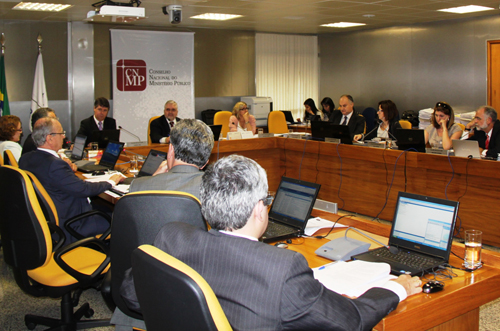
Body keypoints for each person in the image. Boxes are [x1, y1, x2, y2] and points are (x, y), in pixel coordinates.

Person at [121, 155, 422, 330]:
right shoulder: (283, 269)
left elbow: (131, 295)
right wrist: (396, 287)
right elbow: (350, 321)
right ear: (258, 211)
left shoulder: (172, 236)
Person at [19, 117, 123, 243]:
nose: (64, 137)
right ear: (49, 138)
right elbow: (83, 189)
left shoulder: (26, 159)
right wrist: (110, 182)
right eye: (61, 133)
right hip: (73, 224)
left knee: (107, 209)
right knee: (125, 220)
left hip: (48, 221)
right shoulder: (54, 165)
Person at [130, 119, 214, 199]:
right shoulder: (215, 189)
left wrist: (152, 179)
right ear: (205, 163)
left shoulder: (137, 186)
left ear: (170, 150)